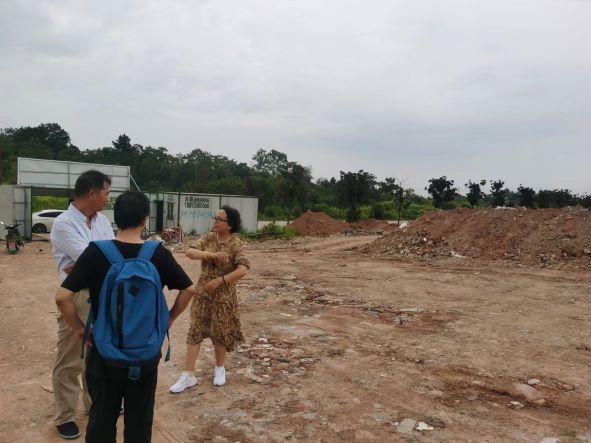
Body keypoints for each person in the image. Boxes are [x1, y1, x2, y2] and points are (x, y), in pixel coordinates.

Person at [55, 191, 195, 442]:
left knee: (101, 419)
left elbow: (63, 297)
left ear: (116, 218)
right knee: (139, 422)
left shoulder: (96, 252)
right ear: (145, 219)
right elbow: (189, 289)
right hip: (145, 354)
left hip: (104, 352)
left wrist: (80, 329)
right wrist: (169, 318)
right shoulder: (158, 253)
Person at [50, 170, 114, 440]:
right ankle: (65, 416)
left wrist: (90, 262)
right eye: (106, 193)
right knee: (71, 358)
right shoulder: (63, 224)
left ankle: (93, 404)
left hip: (102, 292)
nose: (108, 199)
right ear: (92, 193)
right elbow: (98, 258)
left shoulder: (103, 221)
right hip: (76, 296)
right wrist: (95, 261)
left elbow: (110, 255)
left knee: (97, 354)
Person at [169, 206, 250, 393]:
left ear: (229, 225)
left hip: (223, 293)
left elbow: (243, 269)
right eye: (215, 217)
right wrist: (210, 255)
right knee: (195, 329)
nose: (215, 221)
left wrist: (220, 281)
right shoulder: (208, 238)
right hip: (203, 291)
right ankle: (188, 374)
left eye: (220, 219)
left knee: (219, 330)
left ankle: (219, 369)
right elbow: (190, 252)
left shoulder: (236, 244)